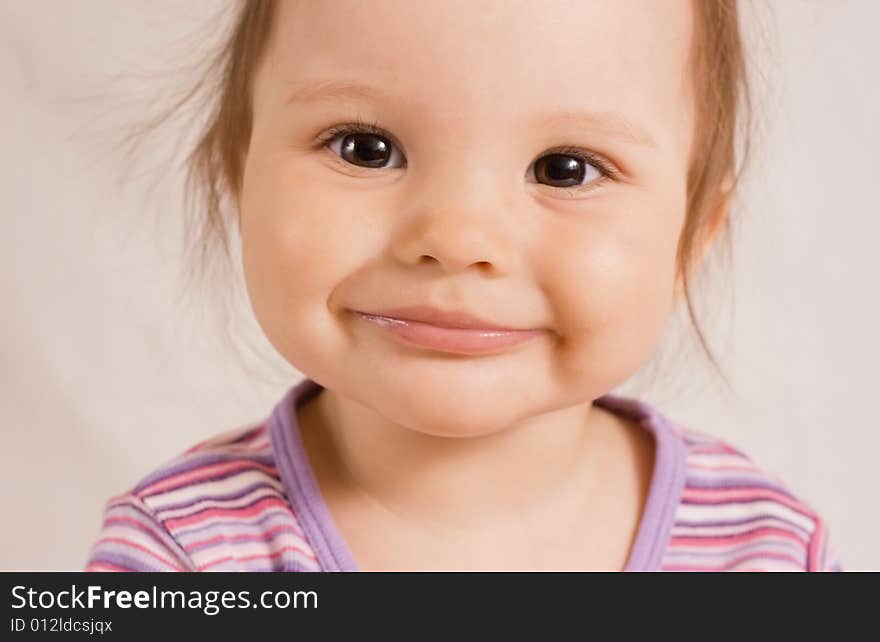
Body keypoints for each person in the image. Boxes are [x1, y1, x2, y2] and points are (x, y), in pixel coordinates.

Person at [84, 0, 842, 572]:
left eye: (564, 169)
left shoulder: (767, 551)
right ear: (238, 181)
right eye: (366, 148)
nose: (457, 239)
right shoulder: (181, 557)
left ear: (690, 240)